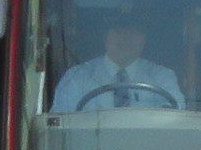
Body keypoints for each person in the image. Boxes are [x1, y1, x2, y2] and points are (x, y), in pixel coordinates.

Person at [50, 14, 185, 112]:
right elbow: (61, 126)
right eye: (119, 32)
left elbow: (175, 114)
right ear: (105, 37)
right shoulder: (77, 77)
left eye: (134, 32)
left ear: (144, 40)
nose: (126, 38)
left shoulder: (162, 76)